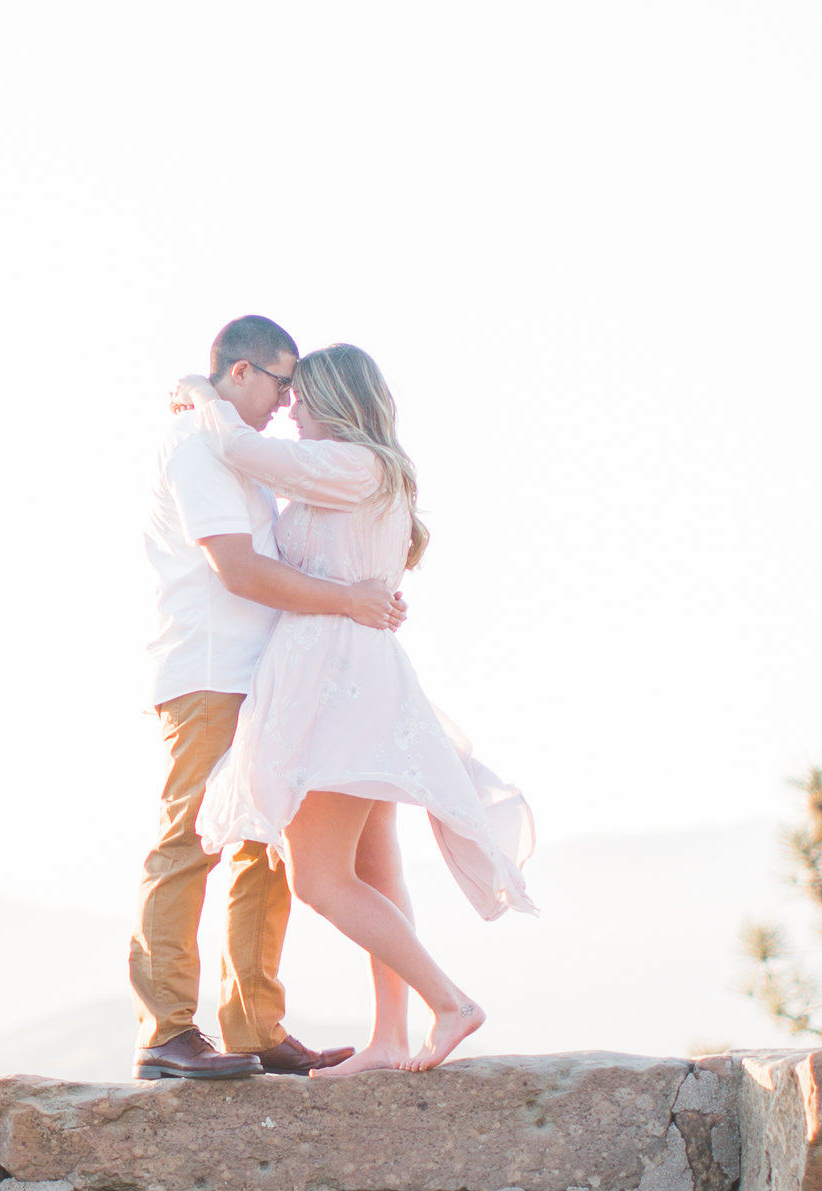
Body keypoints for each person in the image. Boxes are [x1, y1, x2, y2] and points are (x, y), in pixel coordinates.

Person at [177, 344, 533, 1073]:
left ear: (335, 400)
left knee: (319, 880)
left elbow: (242, 449)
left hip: (333, 677)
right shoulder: (364, 474)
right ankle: (390, 1038)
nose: (291, 410)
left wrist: (198, 394)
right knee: (375, 867)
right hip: (351, 671)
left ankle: (450, 1002)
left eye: (301, 397)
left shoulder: (353, 465)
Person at [130, 315, 414, 1082]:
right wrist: (349, 601)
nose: (291, 399)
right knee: (192, 840)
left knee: (262, 849)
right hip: (210, 671)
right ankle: (165, 1031)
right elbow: (240, 572)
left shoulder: (245, 453)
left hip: (265, 675)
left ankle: (254, 1027)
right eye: (283, 381)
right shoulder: (197, 448)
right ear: (242, 372)